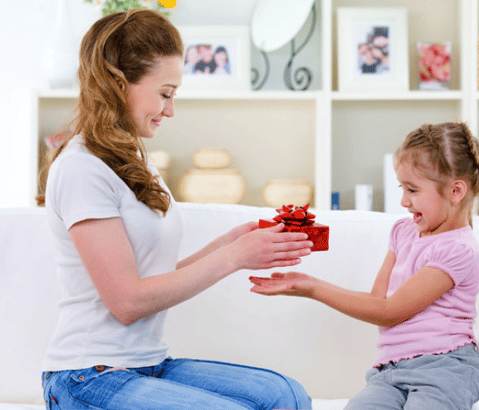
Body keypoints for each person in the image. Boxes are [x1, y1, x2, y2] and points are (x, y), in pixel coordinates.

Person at [36, 9, 312, 410]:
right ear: (117, 84)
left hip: (147, 365)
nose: (170, 110)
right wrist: (233, 258)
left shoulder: (132, 155)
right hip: (85, 376)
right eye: (165, 93)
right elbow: (128, 302)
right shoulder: (82, 167)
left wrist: (228, 245)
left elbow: (155, 279)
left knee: (287, 395)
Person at [250, 122, 479, 410]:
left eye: (413, 190)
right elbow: (378, 300)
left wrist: (313, 289)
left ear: (455, 191)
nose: (404, 201)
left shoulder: (458, 249)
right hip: (391, 372)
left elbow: (390, 313)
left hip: (446, 369)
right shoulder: (403, 232)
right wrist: (306, 281)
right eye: (402, 188)